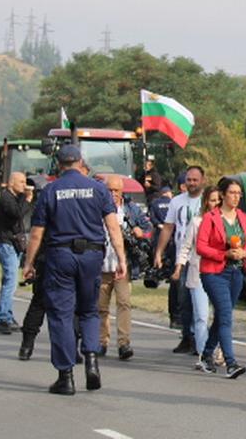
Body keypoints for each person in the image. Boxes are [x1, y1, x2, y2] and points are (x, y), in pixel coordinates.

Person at [22, 145, 126, 395]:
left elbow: (37, 234)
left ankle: (65, 376)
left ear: (59, 165)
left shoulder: (50, 190)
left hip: (61, 256)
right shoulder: (99, 189)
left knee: (61, 315)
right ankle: (91, 361)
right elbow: (113, 228)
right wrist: (121, 258)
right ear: (81, 162)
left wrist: (29, 263)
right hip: (92, 256)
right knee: (89, 311)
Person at [195, 177, 246, 378]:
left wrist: (244, 253)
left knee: (222, 315)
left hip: (236, 271)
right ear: (223, 195)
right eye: (232, 193)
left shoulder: (244, 218)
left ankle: (207, 354)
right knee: (226, 315)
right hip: (214, 272)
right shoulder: (211, 218)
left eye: (238, 193)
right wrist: (224, 254)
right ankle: (230, 362)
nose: (236, 197)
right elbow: (201, 246)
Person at [97, 175, 151, 360]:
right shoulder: (96, 207)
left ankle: (123, 343)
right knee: (101, 307)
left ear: (122, 192)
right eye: (109, 190)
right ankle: (101, 342)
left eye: (116, 190)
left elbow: (150, 229)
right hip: (101, 265)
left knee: (124, 303)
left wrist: (141, 232)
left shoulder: (130, 209)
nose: (112, 194)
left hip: (123, 266)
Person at [154, 166, 205, 353]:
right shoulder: (176, 202)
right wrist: (159, 251)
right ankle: (187, 336)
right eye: (189, 180)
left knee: (199, 300)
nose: (191, 183)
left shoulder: (207, 201)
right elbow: (168, 228)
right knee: (183, 299)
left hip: (202, 257)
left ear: (202, 180)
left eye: (195, 180)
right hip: (182, 258)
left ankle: (201, 338)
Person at [174, 185, 220, 370]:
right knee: (201, 316)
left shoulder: (227, 222)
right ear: (205, 202)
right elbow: (185, 247)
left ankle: (218, 350)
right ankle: (203, 355)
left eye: (218, 200)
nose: (215, 204)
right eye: (212, 200)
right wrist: (179, 267)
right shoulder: (197, 222)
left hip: (219, 273)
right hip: (198, 273)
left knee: (220, 316)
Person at [0, 171, 32, 334]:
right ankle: (2, 318)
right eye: (21, 182)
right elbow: (17, 214)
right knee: (10, 279)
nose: (24, 184)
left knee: (10, 281)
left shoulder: (14, 198)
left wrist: (24, 197)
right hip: (5, 243)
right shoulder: (5, 198)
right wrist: (27, 199)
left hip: (13, 243)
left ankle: (7, 314)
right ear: (11, 183)